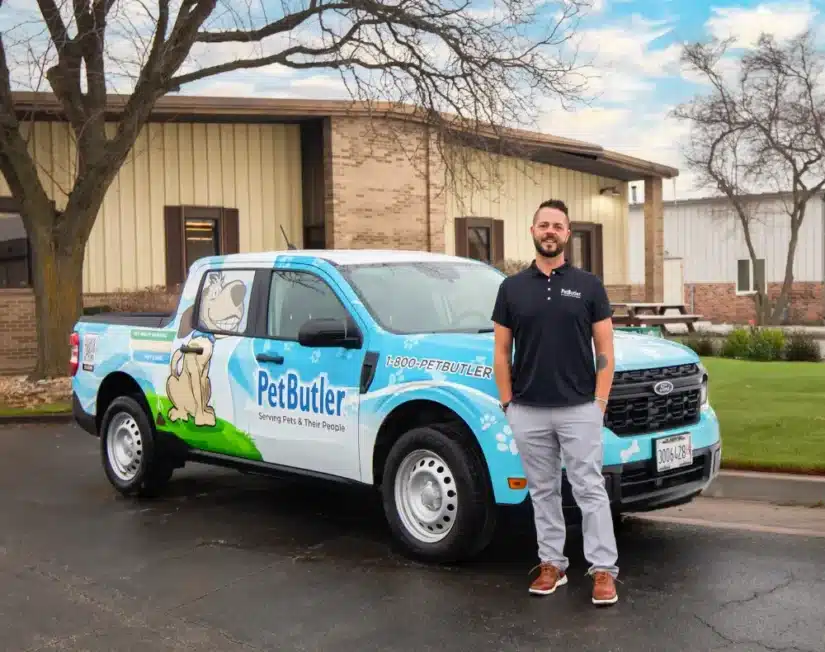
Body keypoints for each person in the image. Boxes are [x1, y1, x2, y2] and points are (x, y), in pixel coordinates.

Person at [490, 198, 619, 607]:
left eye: (558, 226)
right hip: (528, 409)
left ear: (567, 234)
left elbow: (606, 348)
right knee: (543, 491)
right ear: (533, 231)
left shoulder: (589, 285)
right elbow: (500, 351)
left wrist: (599, 401)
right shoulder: (511, 288)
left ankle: (602, 570)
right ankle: (552, 564)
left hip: (579, 407)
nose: (550, 231)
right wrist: (508, 404)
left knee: (590, 490)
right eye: (543, 224)